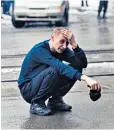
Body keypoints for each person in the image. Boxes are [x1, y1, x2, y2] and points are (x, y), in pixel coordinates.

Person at [18, 27, 101, 116]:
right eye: (61, 41)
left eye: (67, 43)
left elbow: (81, 64)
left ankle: (55, 101)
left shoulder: (62, 49)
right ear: (52, 38)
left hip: (44, 81)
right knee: (55, 70)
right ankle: (37, 103)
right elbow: (60, 67)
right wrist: (86, 79)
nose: (64, 46)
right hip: (28, 89)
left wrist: (74, 44)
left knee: (76, 68)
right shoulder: (40, 50)